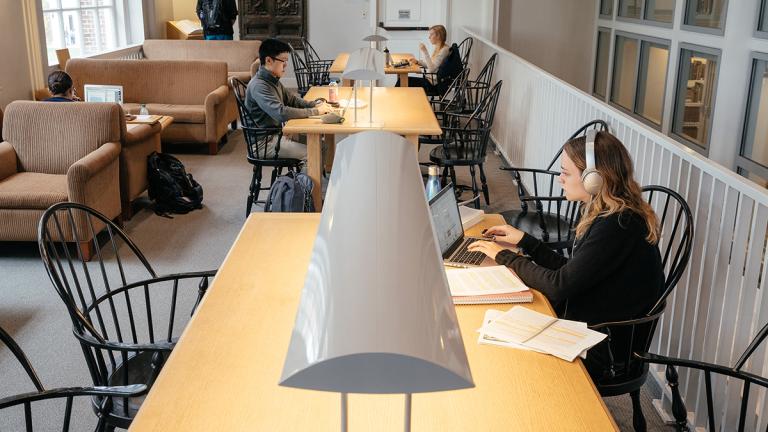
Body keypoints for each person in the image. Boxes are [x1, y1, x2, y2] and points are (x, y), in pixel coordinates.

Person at [467, 131, 665, 376]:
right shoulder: (611, 212)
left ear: (595, 179)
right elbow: (572, 272)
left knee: (497, 345)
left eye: (566, 173)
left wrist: (505, 257)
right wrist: (526, 242)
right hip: (591, 324)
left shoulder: (617, 225)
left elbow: (559, 285)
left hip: (603, 346)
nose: (560, 179)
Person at [245, 38, 332, 160]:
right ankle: (302, 179)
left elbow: (293, 101)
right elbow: (281, 113)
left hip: (276, 134)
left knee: (321, 146)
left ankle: (310, 178)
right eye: (283, 61)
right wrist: (316, 111)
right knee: (313, 152)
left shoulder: (272, 80)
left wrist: (315, 104)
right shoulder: (259, 86)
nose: (286, 65)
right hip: (263, 144)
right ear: (269, 60)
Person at [405, 24, 450, 92]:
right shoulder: (439, 48)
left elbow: (431, 69)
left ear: (438, 36)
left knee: (402, 82)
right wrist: (418, 62)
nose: (429, 37)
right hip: (429, 80)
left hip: (432, 85)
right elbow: (431, 65)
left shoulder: (444, 50)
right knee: (402, 81)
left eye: (431, 34)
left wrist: (425, 51)